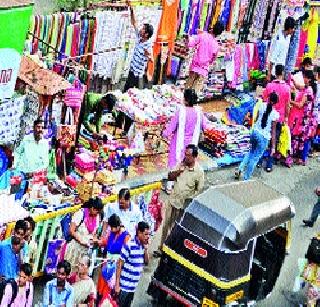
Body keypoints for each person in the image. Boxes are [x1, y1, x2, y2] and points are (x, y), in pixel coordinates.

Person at [154, 145, 204, 257]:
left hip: (182, 206)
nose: (186, 157)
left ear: (195, 157)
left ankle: (171, 250)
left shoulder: (199, 172)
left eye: (188, 155)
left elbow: (199, 189)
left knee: (175, 229)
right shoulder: (181, 165)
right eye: (185, 154)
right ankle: (161, 248)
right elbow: (170, 177)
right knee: (165, 225)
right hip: (172, 201)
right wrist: (179, 171)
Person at [162, 89, 208, 193]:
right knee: (186, 164)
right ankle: (183, 185)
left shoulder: (180, 111)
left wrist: (164, 133)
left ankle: (170, 186)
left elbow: (171, 127)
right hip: (192, 143)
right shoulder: (199, 112)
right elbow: (206, 126)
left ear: (185, 100)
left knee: (175, 164)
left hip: (178, 143)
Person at [235, 92, 280, 180]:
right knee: (255, 158)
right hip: (263, 137)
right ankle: (246, 178)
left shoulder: (261, 106)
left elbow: (256, 119)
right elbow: (273, 131)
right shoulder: (275, 115)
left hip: (255, 132)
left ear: (268, 98)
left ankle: (240, 168)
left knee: (250, 151)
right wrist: (273, 147)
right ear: (276, 103)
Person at [262, 64, 291, 171]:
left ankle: (260, 160)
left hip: (268, 115)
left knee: (265, 136)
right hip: (279, 117)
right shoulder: (287, 88)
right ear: (282, 73)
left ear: (275, 72)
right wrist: (286, 117)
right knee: (275, 140)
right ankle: (269, 164)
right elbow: (287, 105)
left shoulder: (269, 86)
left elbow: (264, 100)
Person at [97, 214, 130, 305]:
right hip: (107, 265)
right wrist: (98, 242)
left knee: (110, 293)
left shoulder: (126, 236)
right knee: (101, 290)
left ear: (118, 226)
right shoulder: (112, 232)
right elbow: (107, 241)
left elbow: (126, 254)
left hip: (116, 268)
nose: (111, 229)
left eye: (112, 227)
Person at [115, 221, 150, 307]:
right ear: (139, 233)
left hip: (132, 288)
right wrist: (117, 285)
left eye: (148, 234)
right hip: (124, 288)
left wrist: (145, 249)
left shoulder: (142, 246)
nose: (147, 237)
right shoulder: (129, 245)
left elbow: (146, 262)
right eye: (145, 234)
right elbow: (119, 265)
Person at [64, 197, 104, 271]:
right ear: (91, 207)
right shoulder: (80, 214)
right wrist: (81, 241)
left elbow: (94, 233)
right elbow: (71, 230)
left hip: (86, 251)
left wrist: (95, 240)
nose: (96, 213)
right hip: (75, 249)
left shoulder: (97, 217)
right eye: (95, 210)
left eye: (98, 211)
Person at [287, 69, 317, 166]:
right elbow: (298, 86)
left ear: (309, 79)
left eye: (304, 77)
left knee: (299, 138)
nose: (303, 79)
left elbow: (300, 105)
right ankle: (298, 158)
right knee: (300, 138)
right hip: (303, 117)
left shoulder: (309, 90)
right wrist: (291, 79)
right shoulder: (306, 87)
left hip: (304, 119)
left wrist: (290, 101)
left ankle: (296, 158)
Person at [185, 21, 224, 94]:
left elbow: (191, 43)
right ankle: (191, 103)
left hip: (195, 66)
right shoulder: (215, 45)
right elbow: (213, 59)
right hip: (204, 69)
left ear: (213, 28)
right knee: (195, 91)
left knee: (188, 88)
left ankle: (184, 102)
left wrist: (187, 38)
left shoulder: (202, 36)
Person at [124, 0, 154, 92]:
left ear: (146, 34)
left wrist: (148, 55)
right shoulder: (139, 38)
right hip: (132, 71)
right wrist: (131, 8)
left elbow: (152, 59)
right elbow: (134, 22)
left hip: (137, 75)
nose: (141, 30)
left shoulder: (148, 45)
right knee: (127, 92)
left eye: (143, 29)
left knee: (130, 93)